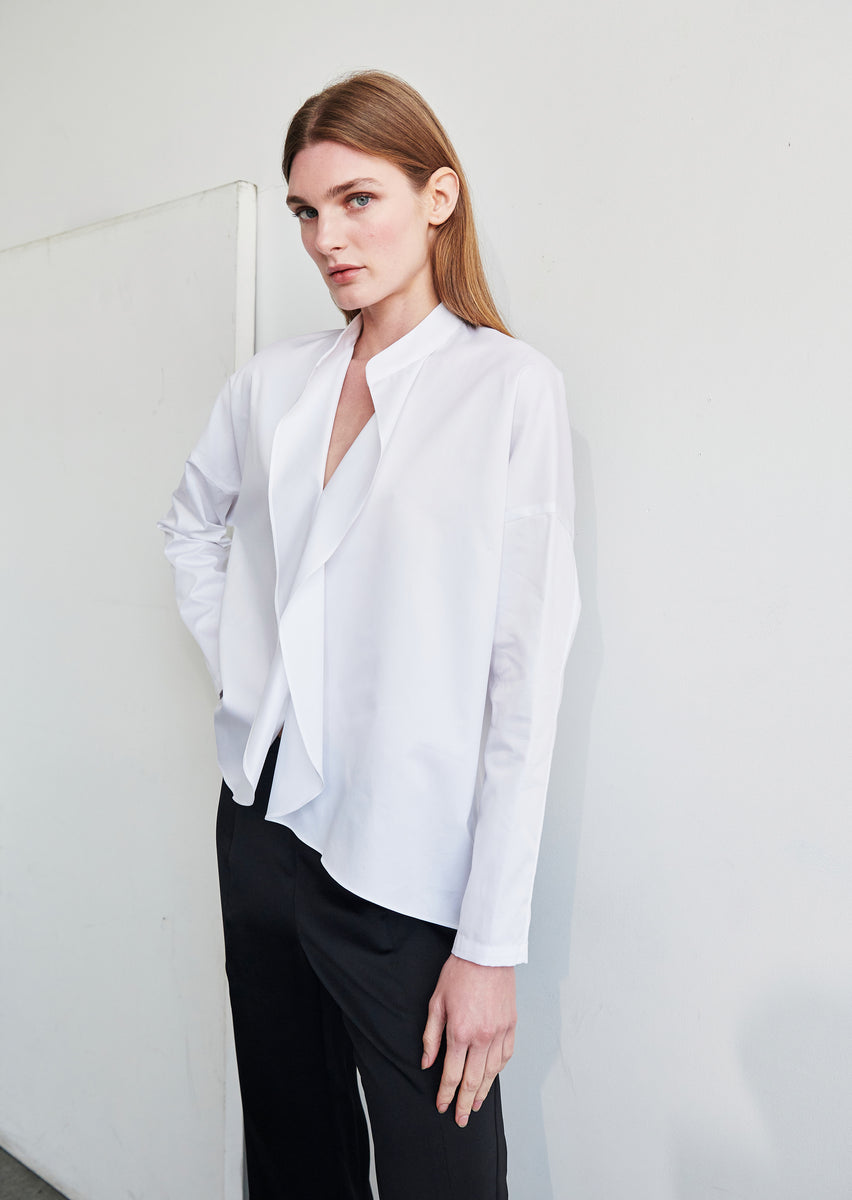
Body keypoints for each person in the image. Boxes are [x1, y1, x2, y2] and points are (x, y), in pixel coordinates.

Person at [159, 70, 579, 1200]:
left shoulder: (508, 391)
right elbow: (193, 528)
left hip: (409, 876)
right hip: (261, 835)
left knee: (446, 1176)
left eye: (358, 200)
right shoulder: (271, 386)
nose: (326, 239)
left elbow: (523, 675)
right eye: (305, 212)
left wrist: (487, 947)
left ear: (437, 196)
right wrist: (251, 672)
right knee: (295, 1162)